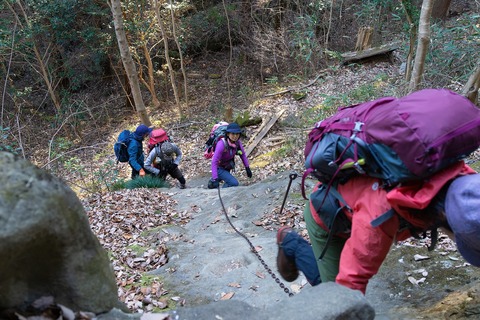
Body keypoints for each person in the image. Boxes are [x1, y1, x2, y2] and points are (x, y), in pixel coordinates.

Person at [276, 161, 480, 294]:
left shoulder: (463, 183)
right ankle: (291, 243)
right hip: (329, 218)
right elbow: (349, 284)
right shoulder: (380, 214)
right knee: (331, 291)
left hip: (357, 207)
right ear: (442, 215)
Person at [208, 122, 252, 188]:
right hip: (219, 168)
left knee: (225, 178)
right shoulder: (221, 144)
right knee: (234, 183)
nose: (235, 136)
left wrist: (247, 168)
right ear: (228, 134)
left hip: (226, 167)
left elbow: (243, 155)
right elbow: (214, 161)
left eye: (237, 134)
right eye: (233, 133)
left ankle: (212, 183)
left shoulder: (237, 143)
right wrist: (215, 178)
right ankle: (221, 189)